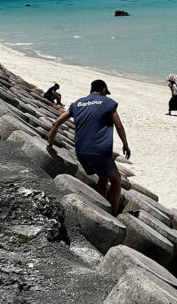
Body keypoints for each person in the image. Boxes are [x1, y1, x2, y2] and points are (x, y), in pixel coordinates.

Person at [47, 79, 131, 214]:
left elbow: (56, 123)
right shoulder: (108, 103)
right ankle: (113, 214)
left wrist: (50, 144)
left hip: (81, 151)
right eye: (105, 93)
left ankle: (100, 207)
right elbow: (119, 125)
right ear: (103, 91)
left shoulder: (78, 103)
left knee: (103, 176)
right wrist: (125, 145)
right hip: (99, 150)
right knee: (116, 180)